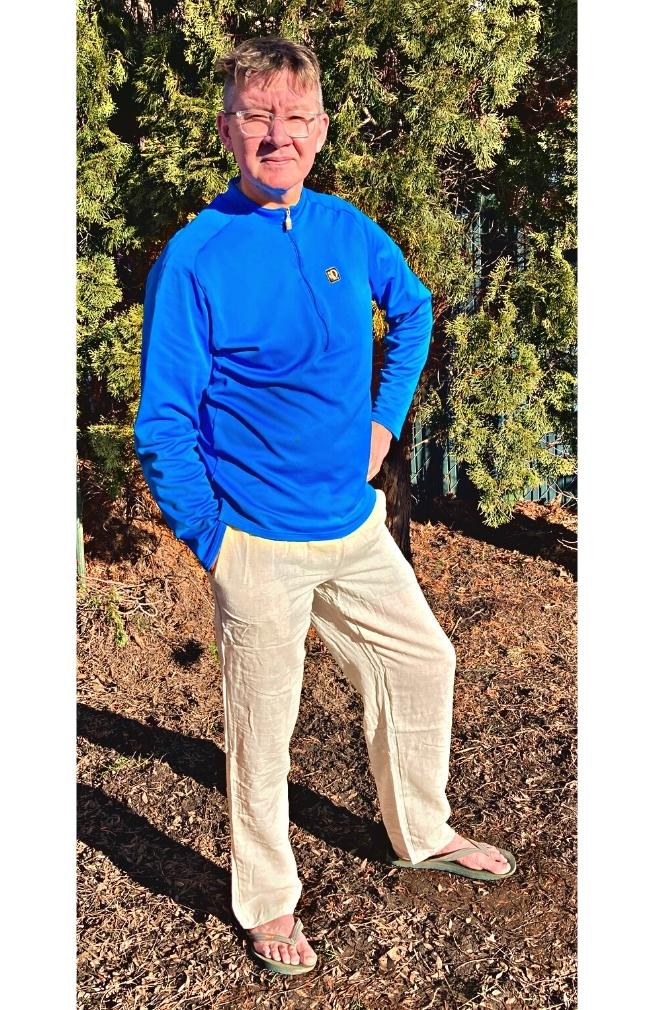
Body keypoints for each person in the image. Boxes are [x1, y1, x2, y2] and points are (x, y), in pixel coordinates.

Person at [134, 36, 515, 977]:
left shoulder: (348, 229)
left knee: (423, 662)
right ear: (227, 129)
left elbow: (413, 311)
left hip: (354, 526)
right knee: (264, 735)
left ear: (321, 129)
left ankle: (421, 830)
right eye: (258, 117)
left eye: (296, 119)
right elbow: (163, 424)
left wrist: (383, 422)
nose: (279, 137)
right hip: (256, 544)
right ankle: (268, 902)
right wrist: (213, 539)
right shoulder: (196, 258)